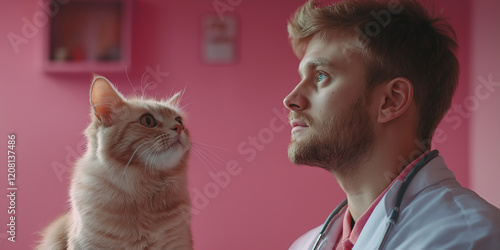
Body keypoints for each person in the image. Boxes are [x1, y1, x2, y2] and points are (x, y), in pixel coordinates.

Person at [283, 0, 500, 249]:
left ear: (391, 100)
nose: (290, 100)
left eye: (321, 76)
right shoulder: (306, 244)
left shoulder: (468, 238)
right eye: (302, 77)